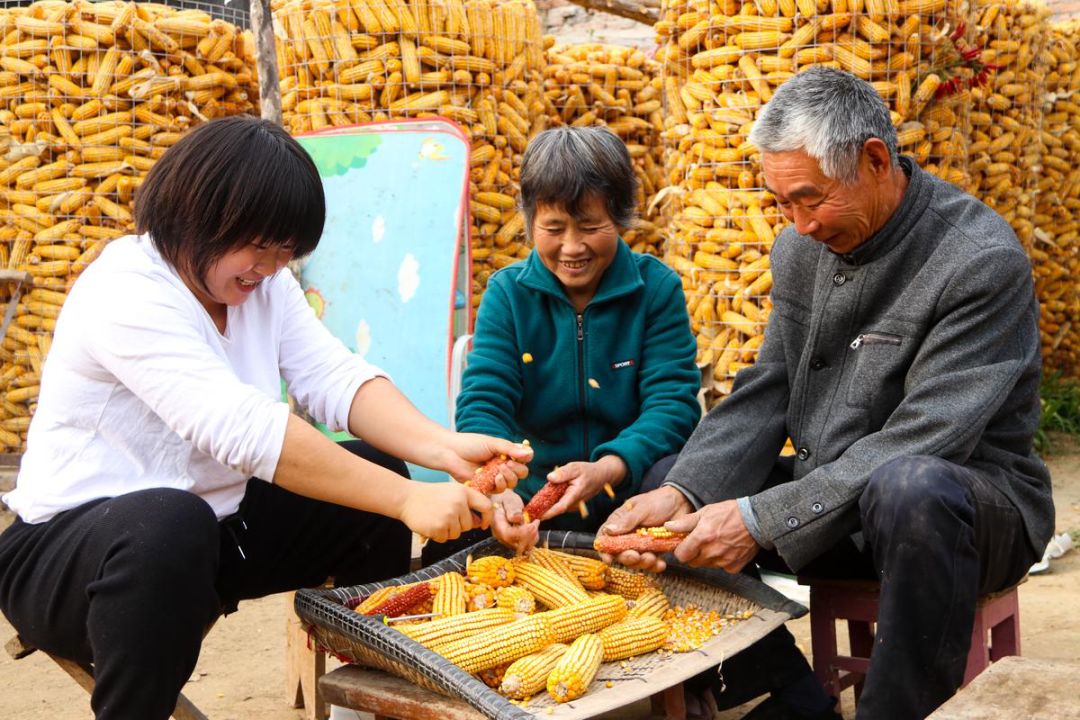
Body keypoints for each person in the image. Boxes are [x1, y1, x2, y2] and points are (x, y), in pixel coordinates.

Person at [0, 116, 531, 720]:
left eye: (285, 252)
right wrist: (409, 498)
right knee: (169, 522)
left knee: (370, 477)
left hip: (210, 531)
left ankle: (370, 703)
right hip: (69, 557)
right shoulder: (125, 292)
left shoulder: (262, 285)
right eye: (258, 246)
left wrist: (441, 449)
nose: (270, 266)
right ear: (198, 216)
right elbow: (244, 430)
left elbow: (334, 377)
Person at [599, 67, 1054, 720]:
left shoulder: (978, 260)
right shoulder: (799, 251)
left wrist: (760, 520)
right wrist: (685, 493)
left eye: (810, 199)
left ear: (875, 159)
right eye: (781, 203)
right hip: (838, 500)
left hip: (965, 513)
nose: (798, 225)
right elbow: (767, 392)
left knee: (910, 486)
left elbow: (927, 437)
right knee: (675, 478)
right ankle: (796, 697)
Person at [423, 126, 701, 562]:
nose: (572, 247)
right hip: (532, 502)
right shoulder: (508, 294)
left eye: (591, 226)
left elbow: (672, 406)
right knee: (459, 537)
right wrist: (499, 488)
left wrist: (609, 469)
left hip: (633, 499)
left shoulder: (656, 289)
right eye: (553, 228)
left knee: (679, 480)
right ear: (531, 220)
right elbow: (484, 403)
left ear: (622, 217)